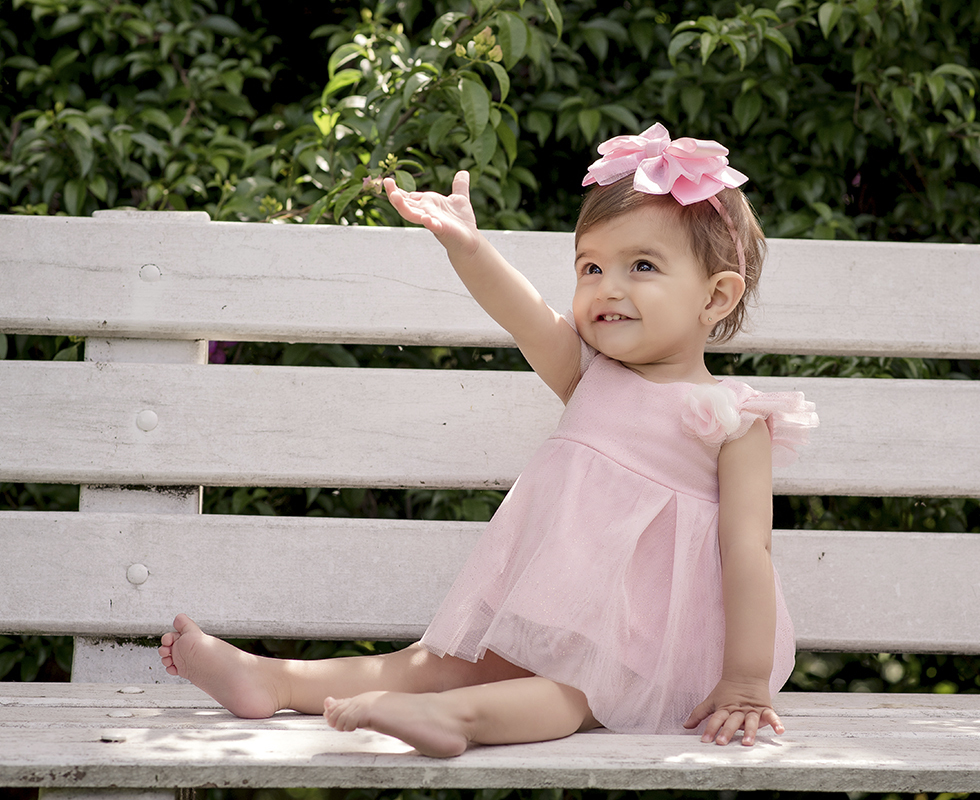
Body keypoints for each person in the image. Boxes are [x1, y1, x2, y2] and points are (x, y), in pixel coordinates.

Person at [158, 123, 817, 758]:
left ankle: (452, 720)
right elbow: (525, 314)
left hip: (658, 642)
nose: (605, 288)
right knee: (437, 662)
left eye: (641, 265)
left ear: (717, 296)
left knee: (571, 693)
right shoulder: (591, 375)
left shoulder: (735, 421)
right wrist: (467, 246)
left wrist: (745, 680)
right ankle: (271, 681)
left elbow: (747, 553)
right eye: (590, 266)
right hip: (557, 608)